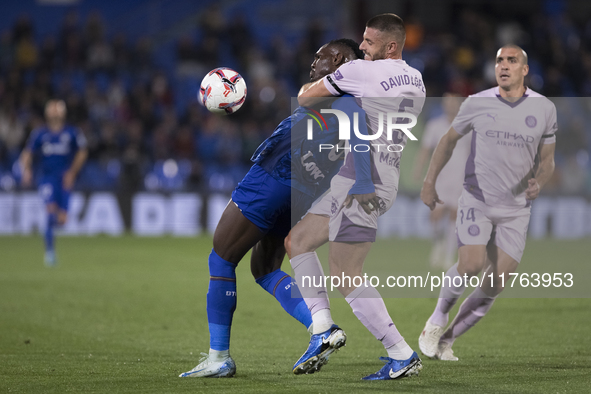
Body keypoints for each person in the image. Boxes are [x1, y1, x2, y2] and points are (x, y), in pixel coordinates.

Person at [180, 39, 366, 378]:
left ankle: (219, 356)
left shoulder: (333, 88)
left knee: (221, 256)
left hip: (274, 175)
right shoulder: (358, 100)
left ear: (338, 58)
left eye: (319, 56)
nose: (313, 62)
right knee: (264, 268)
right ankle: (321, 327)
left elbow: (307, 92)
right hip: (303, 191)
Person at [288, 14, 426, 380]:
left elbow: (305, 98)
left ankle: (400, 352)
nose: (361, 48)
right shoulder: (416, 79)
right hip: (382, 173)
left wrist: (329, 84)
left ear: (390, 46)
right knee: (298, 241)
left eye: (368, 42)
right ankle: (321, 329)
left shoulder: (363, 73)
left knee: (346, 273)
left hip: (361, 183)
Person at [418, 45, 557, 361]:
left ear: (525, 70)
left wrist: (541, 180)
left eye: (512, 60)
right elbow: (447, 142)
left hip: (516, 209)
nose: (504, 65)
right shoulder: (477, 103)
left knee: (495, 283)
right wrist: (429, 182)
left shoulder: (545, 108)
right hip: (477, 200)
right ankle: (436, 320)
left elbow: (548, 160)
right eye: (499, 60)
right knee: (471, 264)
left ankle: (446, 340)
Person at [20, 99, 88, 266]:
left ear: (63, 113)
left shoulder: (72, 133)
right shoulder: (40, 134)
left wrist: (72, 172)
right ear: (47, 113)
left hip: (64, 179)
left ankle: (48, 230)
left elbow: (82, 152)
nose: (55, 112)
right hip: (47, 179)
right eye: (52, 109)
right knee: (50, 212)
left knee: (62, 220)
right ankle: (50, 253)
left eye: (58, 110)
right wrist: (27, 170)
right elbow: (27, 153)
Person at [412, 93, 467, 269]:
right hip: (439, 176)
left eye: (453, 102)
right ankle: (438, 245)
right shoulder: (435, 125)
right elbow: (425, 150)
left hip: (461, 177)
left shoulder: (468, 126)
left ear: (459, 104)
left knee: (454, 214)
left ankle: (448, 255)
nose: (449, 105)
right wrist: (419, 169)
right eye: (447, 102)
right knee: (435, 214)